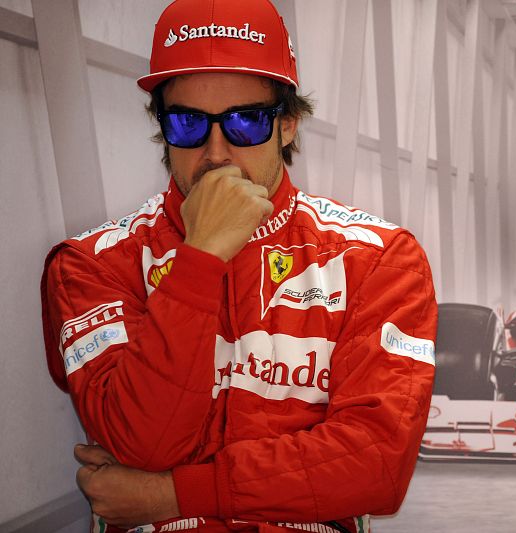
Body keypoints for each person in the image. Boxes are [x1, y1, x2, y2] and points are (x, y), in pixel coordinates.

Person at [39, 1, 437, 531]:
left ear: (288, 124)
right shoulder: (90, 264)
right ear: (161, 127)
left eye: (246, 121)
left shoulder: (379, 258)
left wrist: (171, 495)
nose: (216, 152)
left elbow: (376, 466)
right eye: (187, 122)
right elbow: (145, 443)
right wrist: (201, 257)